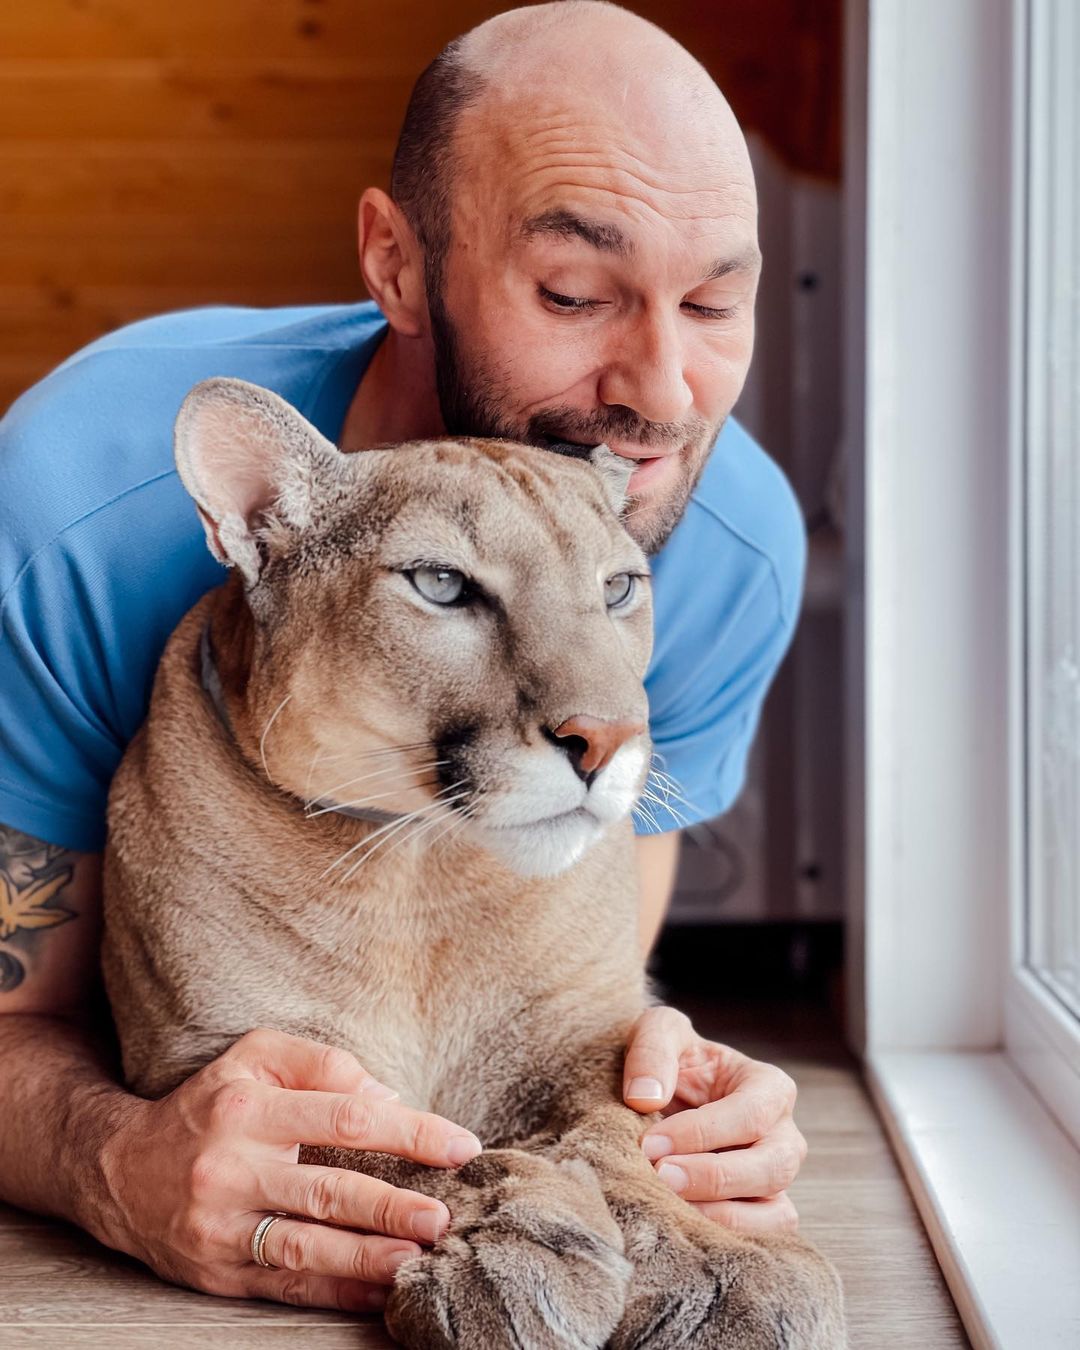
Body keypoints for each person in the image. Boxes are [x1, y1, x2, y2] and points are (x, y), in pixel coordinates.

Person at [0, 0, 809, 1316]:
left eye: (717, 300)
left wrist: (666, 1109)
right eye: (575, 293)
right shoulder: (71, 511)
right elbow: (13, 1015)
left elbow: (585, 977)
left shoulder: (710, 539)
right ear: (395, 261)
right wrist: (110, 1159)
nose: (664, 392)